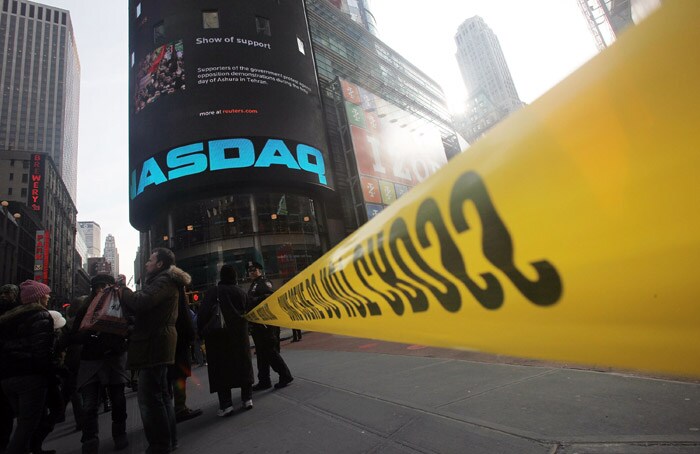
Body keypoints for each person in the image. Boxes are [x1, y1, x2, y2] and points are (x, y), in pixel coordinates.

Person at [119, 248, 191, 454]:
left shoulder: (163, 281)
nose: (147, 264)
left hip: (155, 344)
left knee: (150, 399)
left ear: (160, 264)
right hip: (156, 342)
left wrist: (124, 290)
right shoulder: (163, 280)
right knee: (160, 395)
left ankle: (160, 444)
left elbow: (142, 302)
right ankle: (168, 441)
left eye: (150, 260)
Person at [70, 274, 129, 453]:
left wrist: (119, 339)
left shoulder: (119, 305)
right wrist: (90, 335)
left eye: (105, 286)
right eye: (98, 287)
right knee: (89, 406)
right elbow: (75, 334)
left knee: (118, 400)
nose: (101, 290)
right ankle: (89, 440)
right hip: (91, 361)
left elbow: (131, 326)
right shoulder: (85, 307)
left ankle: (120, 434)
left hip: (113, 359)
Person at [0, 280, 56, 454]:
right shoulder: (41, 316)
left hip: (7, 377)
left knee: (24, 422)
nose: (48, 296)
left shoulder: (8, 318)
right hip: (30, 376)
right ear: (38, 298)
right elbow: (42, 352)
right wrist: (50, 376)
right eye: (45, 293)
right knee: (27, 425)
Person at [197, 265, 254, 416]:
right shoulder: (241, 292)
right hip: (240, 336)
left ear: (221, 277)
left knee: (221, 369)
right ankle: (247, 398)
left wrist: (201, 332)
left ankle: (226, 404)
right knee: (243, 364)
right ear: (235, 277)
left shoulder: (213, 292)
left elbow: (202, 315)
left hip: (218, 337)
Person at [247, 262, 293, 390]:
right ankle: (264, 380)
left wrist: (253, 301)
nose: (251, 272)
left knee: (269, 351)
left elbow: (269, 297)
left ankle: (285, 375)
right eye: (249, 271)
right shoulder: (254, 284)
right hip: (257, 324)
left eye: (254, 270)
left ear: (260, 270)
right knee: (261, 354)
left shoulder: (263, 282)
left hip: (264, 324)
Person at [169, 289, 202, 423]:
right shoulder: (179, 302)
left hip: (170, 344)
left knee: (172, 377)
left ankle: (171, 408)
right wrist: (191, 337)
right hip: (179, 344)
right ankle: (179, 408)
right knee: (179, 377)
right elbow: (189, 322)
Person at [0, 284, 20, 452]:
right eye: (3, 292)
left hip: (10, 367)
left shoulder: (18, 312)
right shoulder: (18, 313)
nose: (4, 295)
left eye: (7, 293)